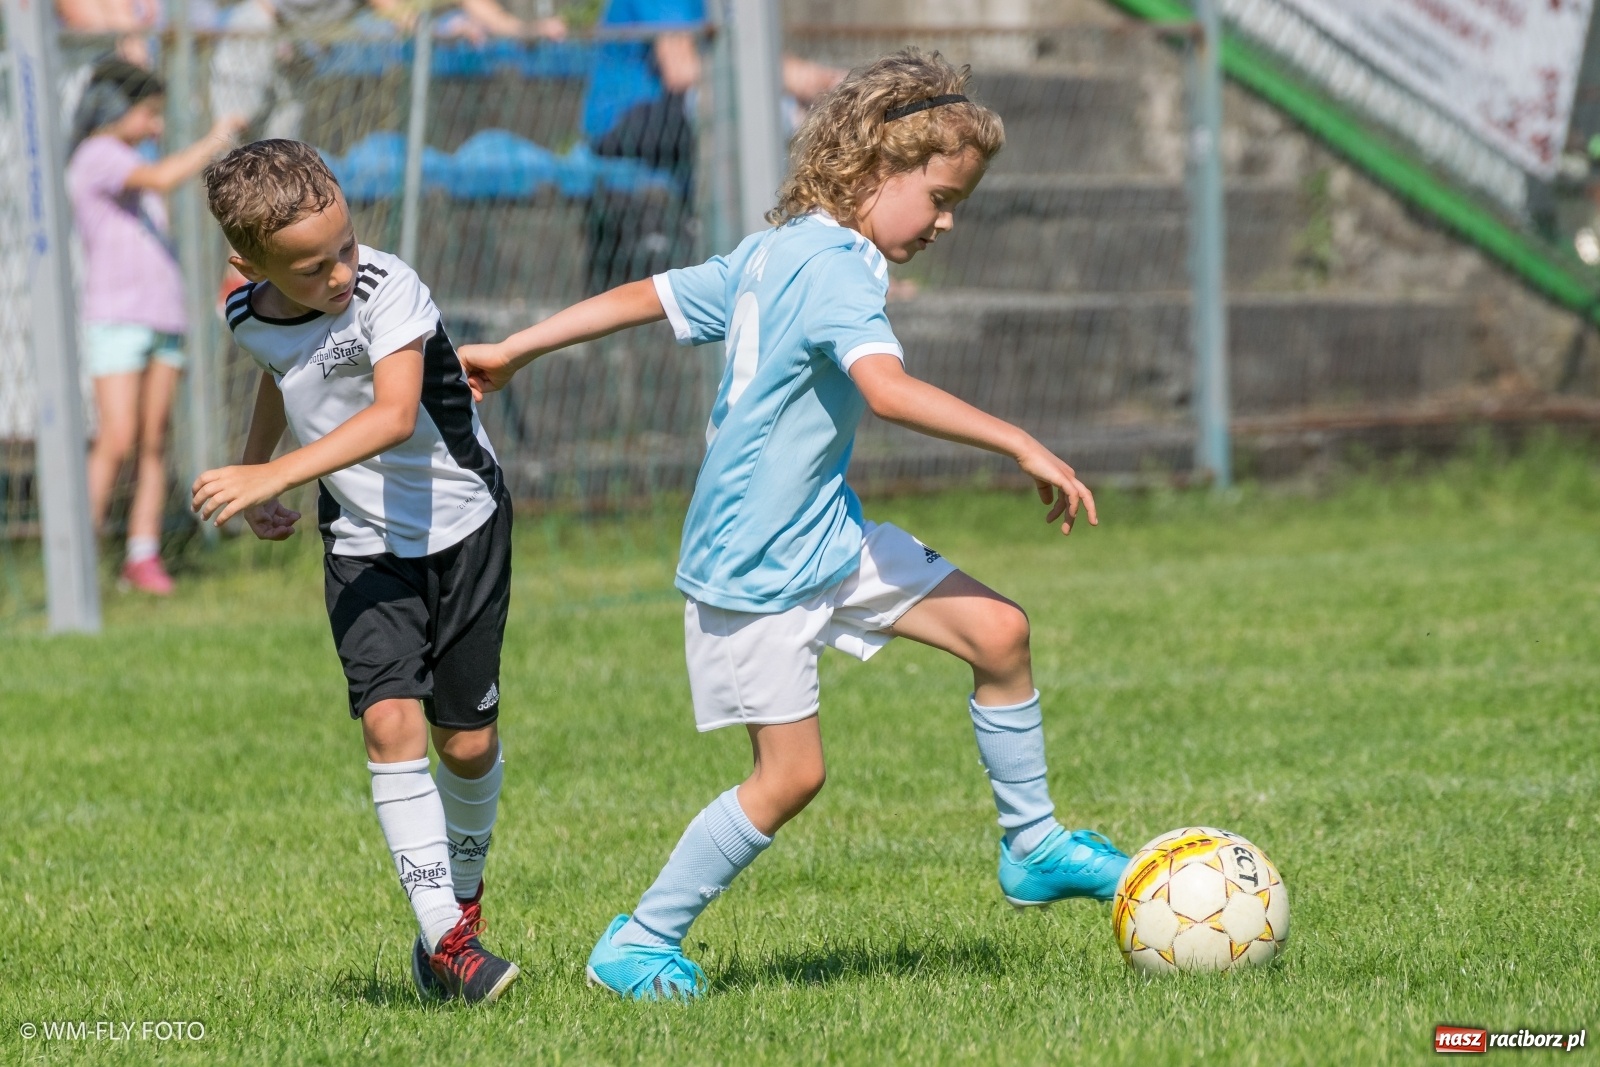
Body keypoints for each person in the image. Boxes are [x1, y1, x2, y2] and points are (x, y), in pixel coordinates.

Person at [461, 48, 1131, 1000]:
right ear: (872, 169)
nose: (945, 223)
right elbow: (884, 389)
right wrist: (1019, 440)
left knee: (1000, 631)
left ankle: (1033, 843)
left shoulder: (777, 249)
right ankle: (639, 942)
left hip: (826, 532)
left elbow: (648, 294)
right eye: (940, 199)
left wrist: (520, 347)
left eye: (958, 206)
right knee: (789, 777)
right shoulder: (833, 271)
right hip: (753, 562)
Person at [191, 139, 519, 1004]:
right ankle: (446, 939)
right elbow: (280, 372)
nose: (338, 274)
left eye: (343, 247)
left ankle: (464, 905)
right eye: (309, 268)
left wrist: (273, 473)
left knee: (469, 742)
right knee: (388, 728)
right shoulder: (245, 312)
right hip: (362, 542)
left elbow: (393, 414)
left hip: (464, 527)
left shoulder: (388, 285)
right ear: (248, 263)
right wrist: (258, 464)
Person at [67, 58, 245, 595]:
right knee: (117, 437)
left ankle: (141, 555)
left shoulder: (127, 159)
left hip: (162, 313)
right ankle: (76, 555)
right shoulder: (98, 155)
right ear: (115, 109)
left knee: (154, 441)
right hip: (117, 317)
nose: (156, 127)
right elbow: (166, 175)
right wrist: (215, 139)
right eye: (148, 114)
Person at [580, 0, 844, 294]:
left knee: (805, 113)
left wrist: (814, 82)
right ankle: (768, 256)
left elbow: (747, 55)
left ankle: (834, 256)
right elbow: (681, 70)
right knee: (752, 104)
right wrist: (792, 76)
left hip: (676, 120)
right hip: (627, 123)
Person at [210, 0, 563, 142]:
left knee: (275, 157)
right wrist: (440, 29)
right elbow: (402, 16)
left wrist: (532, 30)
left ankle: (244, 284)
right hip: (258, 32)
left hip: (298, 51)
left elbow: (485, 13)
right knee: (231, 140)